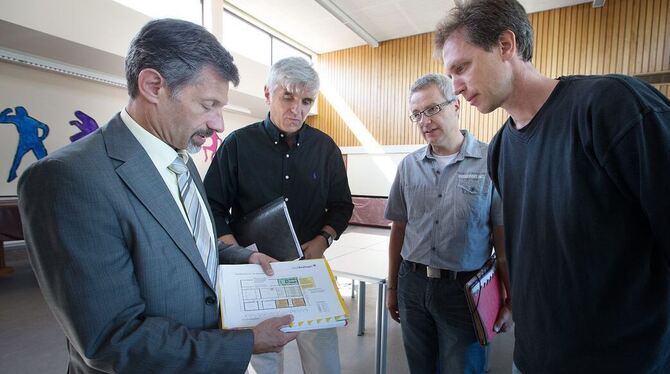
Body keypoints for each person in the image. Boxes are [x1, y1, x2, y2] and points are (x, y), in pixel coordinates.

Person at [18, 19, 297, 374]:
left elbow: (186, 244)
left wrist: (243, 259)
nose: (219, 124)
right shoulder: (67, 179)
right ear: (153, 86)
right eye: (208, 104)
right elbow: (112, 339)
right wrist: (246, 342)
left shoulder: (180, 156)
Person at [435, 0, 670, 372]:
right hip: (532, 358)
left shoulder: (611, 107)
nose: (456, 88)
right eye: (450, 75)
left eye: (461, 68)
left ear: (506, 45)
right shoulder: (499, 149)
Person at [204, 56, 354, 374]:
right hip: (256, 271)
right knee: (262, 362)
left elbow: (342, 205)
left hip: (309, 267)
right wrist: (237, 252)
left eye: (306, 101)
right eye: (288, 97)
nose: (296, 109)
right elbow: (212, 206)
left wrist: (323, 239)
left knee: (323, 359)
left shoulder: (325, 148)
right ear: (267, 93)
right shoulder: (237, 145)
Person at [384, 73, 511, 373]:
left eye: (432, 109)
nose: (424, 121)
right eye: (416, 114)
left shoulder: (490, 161)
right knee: (421, 367)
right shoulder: (409, 167)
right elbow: (398, 229)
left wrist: (509, 299)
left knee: (463, 368)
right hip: (412, 285)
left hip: (464, 290)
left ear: (455, 107)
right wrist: (392, 287)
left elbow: (503, 241)